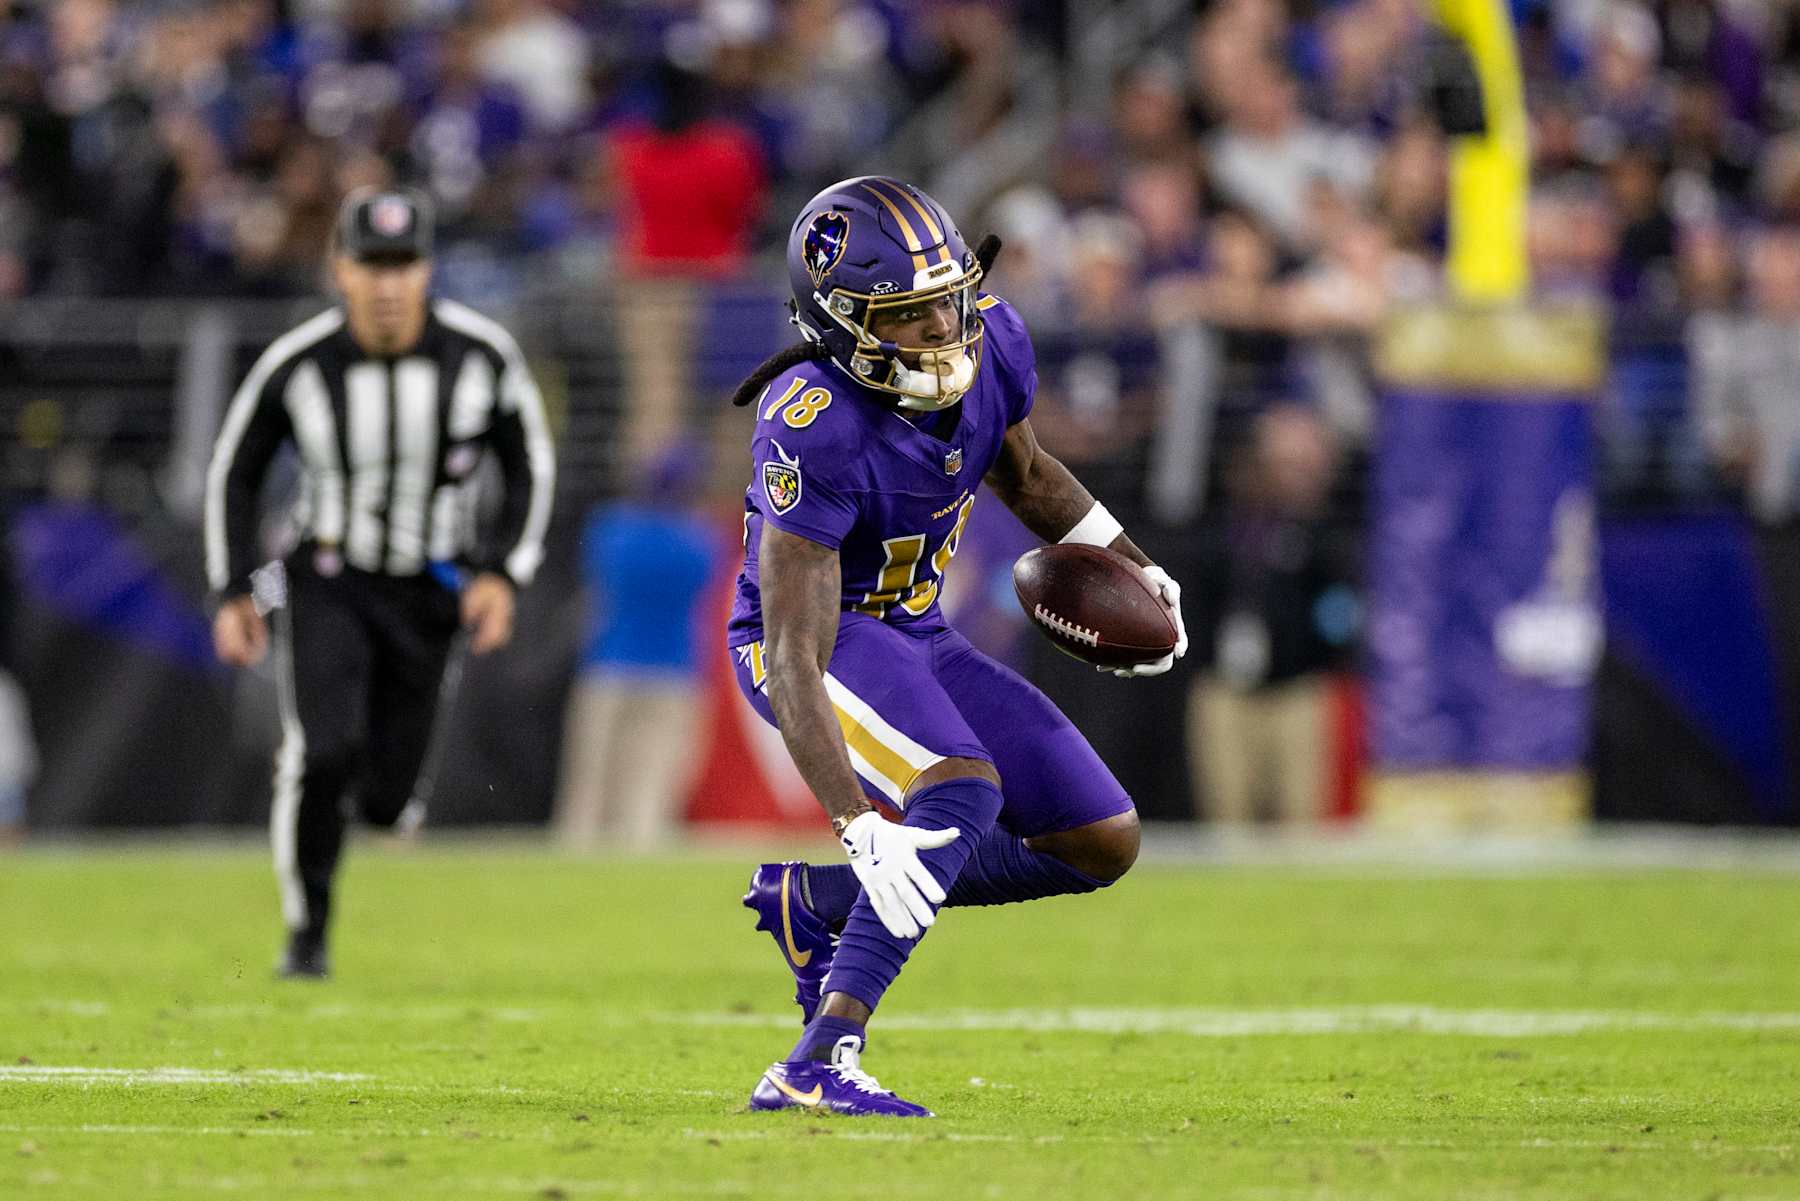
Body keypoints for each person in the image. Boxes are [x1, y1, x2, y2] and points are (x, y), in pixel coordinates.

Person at [725, 177, 1187, 1117]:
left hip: (918, 630)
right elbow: (796, 649)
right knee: (961, 786)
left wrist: (1129, 558)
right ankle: (820, 1056)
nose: (944, 328)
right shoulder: (813, 425)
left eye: (950, 299)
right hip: (817, 641)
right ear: (843, 324)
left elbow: (1022, 470)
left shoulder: (995, 339)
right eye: (910, 315)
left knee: (1099, 836)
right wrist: (858, 825)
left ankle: (817, 907)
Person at [204, 187, 554, 978]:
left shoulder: (480, 355)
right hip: (328, 576)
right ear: (341, 270)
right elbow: (238, 468)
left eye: (403, 265)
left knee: (387, 799)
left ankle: (372, 805)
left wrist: (503, 571)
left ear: (428, 271)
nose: (388, 284)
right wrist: (232, 587)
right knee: (323, 750)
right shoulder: (298, 363)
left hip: (429, 590)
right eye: (372, 265)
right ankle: (307, 931)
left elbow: (531, 459)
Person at [553, 442, 720, 849]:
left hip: (610, 664)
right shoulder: (700, 541)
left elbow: (596, 590)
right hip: (676, 671)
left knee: (589, 783)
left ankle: (574, 859)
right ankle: (640, 859)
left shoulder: (610, 529)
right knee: (650, 787)